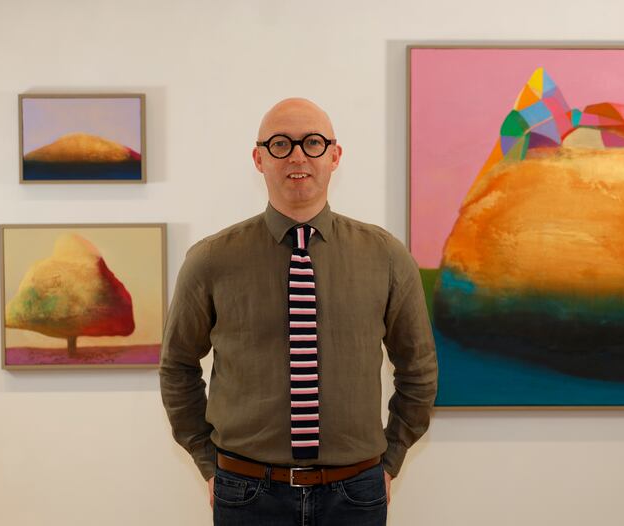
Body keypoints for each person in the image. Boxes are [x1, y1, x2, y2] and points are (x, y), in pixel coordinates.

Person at [159, 97, 438, 525]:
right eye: (279, 145)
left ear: (334, 155)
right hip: (247, 493)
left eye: (312, 143)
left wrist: (391, 458)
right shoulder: (211, 260)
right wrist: (206, 458)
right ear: (258, 158)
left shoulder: (386, 257)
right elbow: (177, 365)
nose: (297, 156)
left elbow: (417, 367)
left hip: (355, 494)